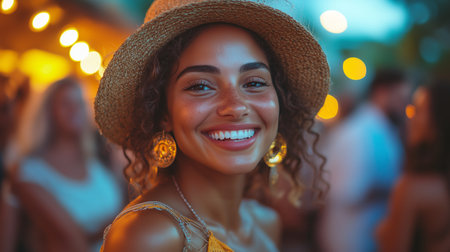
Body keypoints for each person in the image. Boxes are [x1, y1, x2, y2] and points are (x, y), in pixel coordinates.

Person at [95, 0, 330, 251]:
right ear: (163, 111)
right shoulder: (150, 235)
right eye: (201, 86)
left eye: (253, 83)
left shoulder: (267, 222)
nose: (235, 106)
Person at [8, 77, 124, 252]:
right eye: (65, 103)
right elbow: (70, 237)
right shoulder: (30, 171)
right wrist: (123, 223)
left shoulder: (99, 160)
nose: (75, 110)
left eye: (79, 103)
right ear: (49, 112)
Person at [318, 69, 411, 252]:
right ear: (382, 93)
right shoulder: (360, 133)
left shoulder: (380, 128)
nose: (404, 105)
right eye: (401, 98)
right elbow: (347, 191)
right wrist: (399, 192)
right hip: (352, 238)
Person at [376, 79, 450, 252]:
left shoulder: (411, 189)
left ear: (439, 121)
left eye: (418, 110)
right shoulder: (439, 183)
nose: (410, 117)